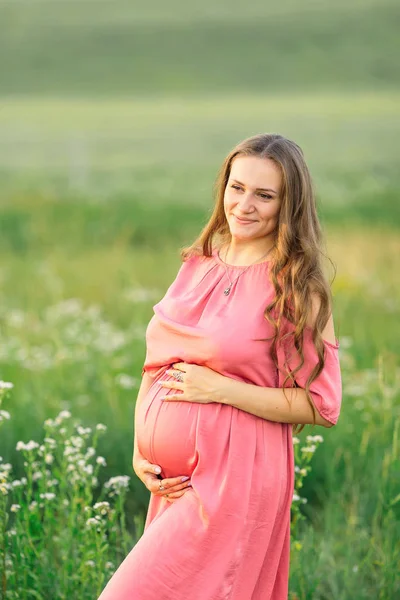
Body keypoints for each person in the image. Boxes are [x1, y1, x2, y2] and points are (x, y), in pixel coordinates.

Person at [97, 133, 342, 600]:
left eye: (264, 195)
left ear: (289, 205)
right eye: (237, 187)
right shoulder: (199, 263)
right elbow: (156, 364)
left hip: (236, 479)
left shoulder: (298, 287)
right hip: (175, 483)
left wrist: (220, 389)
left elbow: (321, 403)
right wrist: (138, 446)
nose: (244, 205)